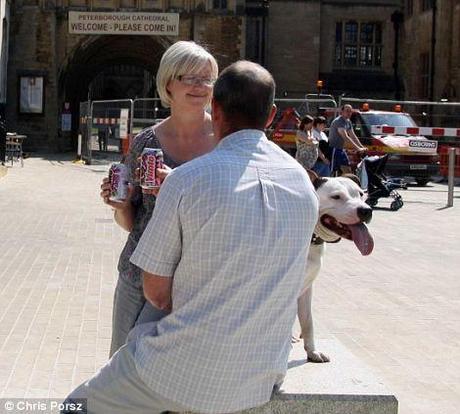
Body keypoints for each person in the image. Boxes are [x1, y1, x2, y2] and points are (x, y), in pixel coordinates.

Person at [64, 61, 318, 414]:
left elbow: (156, 292)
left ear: (215, 108)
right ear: (272, 115)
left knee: (76, 405)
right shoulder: (302, 183)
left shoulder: (186, 180)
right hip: (263, 371)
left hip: (184, 370)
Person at [99, 40, 219, 357]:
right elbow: (131, 223)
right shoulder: (146, 140)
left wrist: (178, 186)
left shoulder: (225, 141)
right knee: (120, 364)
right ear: (169, 83)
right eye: (189, 78)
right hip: (138, 275)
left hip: (197, 282)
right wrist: (121, 205)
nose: (200, 86)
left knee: (176, 372)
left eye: (206, 79)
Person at [328, 104, 366, 175]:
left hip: (341, 149)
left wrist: (362, 147)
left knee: (348, 171)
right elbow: (345, 137)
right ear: (341, 112)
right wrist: (358, 148)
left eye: (350, 111)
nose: (349, 113)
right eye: (347, 111)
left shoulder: (348, 121)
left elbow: (353, 135)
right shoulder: (338, 121)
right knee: (331, 172)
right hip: (334, 149)